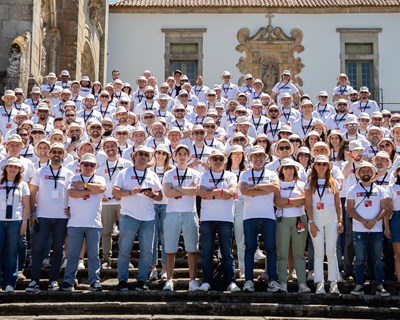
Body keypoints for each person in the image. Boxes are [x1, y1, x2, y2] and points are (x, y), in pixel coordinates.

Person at [113, 145, 162, 291]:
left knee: (147, 251)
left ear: (149, 158)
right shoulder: (124, 172)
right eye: (140, 154)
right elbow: (115, 191)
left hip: (148, 217)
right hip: (129, 215)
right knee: (124, 250)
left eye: (146, 155)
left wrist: (152, 194)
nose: (143, 157)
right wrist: (130, 192)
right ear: (134, 156)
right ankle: (122, 280)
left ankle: (141, 280)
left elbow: (160, 196)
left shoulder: (152, 174)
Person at [26, 143, 74, 292]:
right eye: (54, 152)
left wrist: (71, 209)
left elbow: (72, 194)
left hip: (61, 217)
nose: (57, 154)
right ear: (49, 154)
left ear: (63, 155)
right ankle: (34, 280)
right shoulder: (40, 171)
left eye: (60, 152)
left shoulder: (69, 173)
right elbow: (32, 193)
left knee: (58, 250)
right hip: (42, 216)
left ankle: (53, 280)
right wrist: (33, 212)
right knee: (38, 249)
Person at [60, 154, 106, 291]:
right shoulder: (74, 178)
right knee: (72, 255)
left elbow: (102, 189)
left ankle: (94, 281)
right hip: (75, 223)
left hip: (94, 223)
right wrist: (90, 190)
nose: (88, 167)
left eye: (92, 165)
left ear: (95, 167)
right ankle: (68, 280)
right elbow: (72, 193)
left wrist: (84, 186)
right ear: (80, 165)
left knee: (94, 255)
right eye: (86, 164)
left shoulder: (100, 178)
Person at [197, 149, 240, 292]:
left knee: (227, 252)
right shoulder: (204, 175)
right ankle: (206, 281)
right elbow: (202, 193)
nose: (217, 161)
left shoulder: (231, 175)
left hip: (225, 218)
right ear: (209, 160)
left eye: (220, 159)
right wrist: (221, 192)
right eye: (214, 158)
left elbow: (232, 192)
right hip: (207, 218)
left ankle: (231, 281)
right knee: (207, 252)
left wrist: (212, 193)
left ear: (225, 160)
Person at [239, 145, 281, 293]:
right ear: (250, 158)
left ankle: (272, 280)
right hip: (250, 216)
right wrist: (264, 188)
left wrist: (254, 188)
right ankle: (249, 281)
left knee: (270, 248)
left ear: (265, 158)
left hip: (268, 215)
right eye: (255, 156)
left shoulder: (271, 173)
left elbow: (275, 188)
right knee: (250, 248)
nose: (258, 159)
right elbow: (244, 190)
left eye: (261, 156)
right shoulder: (244, 174)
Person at [347, 161, 390, 297]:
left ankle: (379, 285)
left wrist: (374, 221)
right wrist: (363, 221)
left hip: (376, 229)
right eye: (363, 171)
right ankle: (359, 284)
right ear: (359, 173)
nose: (366, 173)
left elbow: (384, 207)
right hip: (359, 228)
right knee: (359, 259)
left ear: (373, 173)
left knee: (377, 258)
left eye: (368, 171)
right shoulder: (353, 189)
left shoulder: (380, 189)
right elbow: (349, 208)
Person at [162, 144, 201, 291]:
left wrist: (176, 188)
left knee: (192, 249)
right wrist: (185, 189)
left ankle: (192, 281)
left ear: (189, 156)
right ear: (175, 156)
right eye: (180, 154)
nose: (182, 156)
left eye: (185, 153)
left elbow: (195, 191)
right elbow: (167, 193)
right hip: (172, 213)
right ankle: (169, 280)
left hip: (189, 213)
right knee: (170, 249)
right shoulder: (169, 173)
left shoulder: (195, 173)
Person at [305, 155, 343, 295]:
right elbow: (308, 204)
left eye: (324, 164)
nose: (321, 166)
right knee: (319, 252)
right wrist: (311, 222)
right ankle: (319, 283)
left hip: (331, 217)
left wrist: (340, 220)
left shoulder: (334, 183)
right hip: (316, 218)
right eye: (319, 164)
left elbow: (338, 204)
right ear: (314, 166)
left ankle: (333, 283)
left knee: (331, 252)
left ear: (328, 166)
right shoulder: (309, 183)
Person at [274, 158, 310, 293]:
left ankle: (302, 284)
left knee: (299, 253)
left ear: (295, 170)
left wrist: (287, 201)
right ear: (282, 170)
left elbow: (305, 200)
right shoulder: (277, 184)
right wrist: (294, 202)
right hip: (283, 220)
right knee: (282, 252)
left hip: (299, 219)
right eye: (286, 167)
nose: (289, 170)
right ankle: (282, 282)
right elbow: (277, 202)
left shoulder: (302, 183)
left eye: (291, 168)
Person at [96, 137, 131, 269]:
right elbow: (97, 183)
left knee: (126, 231)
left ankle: (125, 259)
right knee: (106, 232)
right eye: (107, 146)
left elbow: (131, 181)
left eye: (113, 146)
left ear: (117, 148)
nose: (110, 149)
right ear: (104, 150)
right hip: (106, 203)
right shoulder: (100, 167)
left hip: (124, 202)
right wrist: (101, 195)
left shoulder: (126, 164)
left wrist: (123, 193)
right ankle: (106, 258)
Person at [0, 158, 30, 292]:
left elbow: (26, 206)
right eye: (10, 166)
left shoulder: (22, 184)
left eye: (16, 167)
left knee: (12, 252)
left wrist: (24, 223)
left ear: (19, 170)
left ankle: (10, 283)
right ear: (5, 168)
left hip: (15, 221)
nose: (12, 169)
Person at [149, 144, 174, 281]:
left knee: (165, 237)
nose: (160, 155)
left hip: (166, 205)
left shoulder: (171, 170)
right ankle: (153, 267)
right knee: (152, 237)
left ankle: (164, 267)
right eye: (158, 152)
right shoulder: (149, 170)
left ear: (167, 156)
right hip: (151, 205)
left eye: (163, 153)